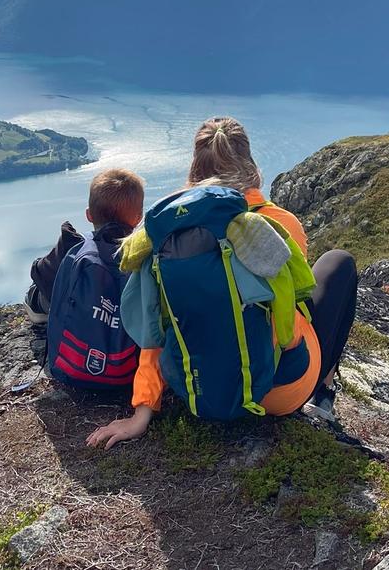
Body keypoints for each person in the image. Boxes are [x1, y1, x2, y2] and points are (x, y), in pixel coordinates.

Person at [87, 117, 359, 448]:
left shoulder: (165, 234)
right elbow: (295, 297)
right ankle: (324, 393)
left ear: (195, 166)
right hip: (279, 391)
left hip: (199, 390)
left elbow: (153, 326)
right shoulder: (277, 223)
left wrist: (140, 414)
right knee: (338, 264)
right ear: (249, 163)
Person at [30, 168, 147, 389]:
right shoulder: (143, 256)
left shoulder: (75, 247)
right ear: (138, 219)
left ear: (89, 215)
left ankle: (39, 314)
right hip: (128, 372)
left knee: (37, 293)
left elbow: (39, 273)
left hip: (70, 367)